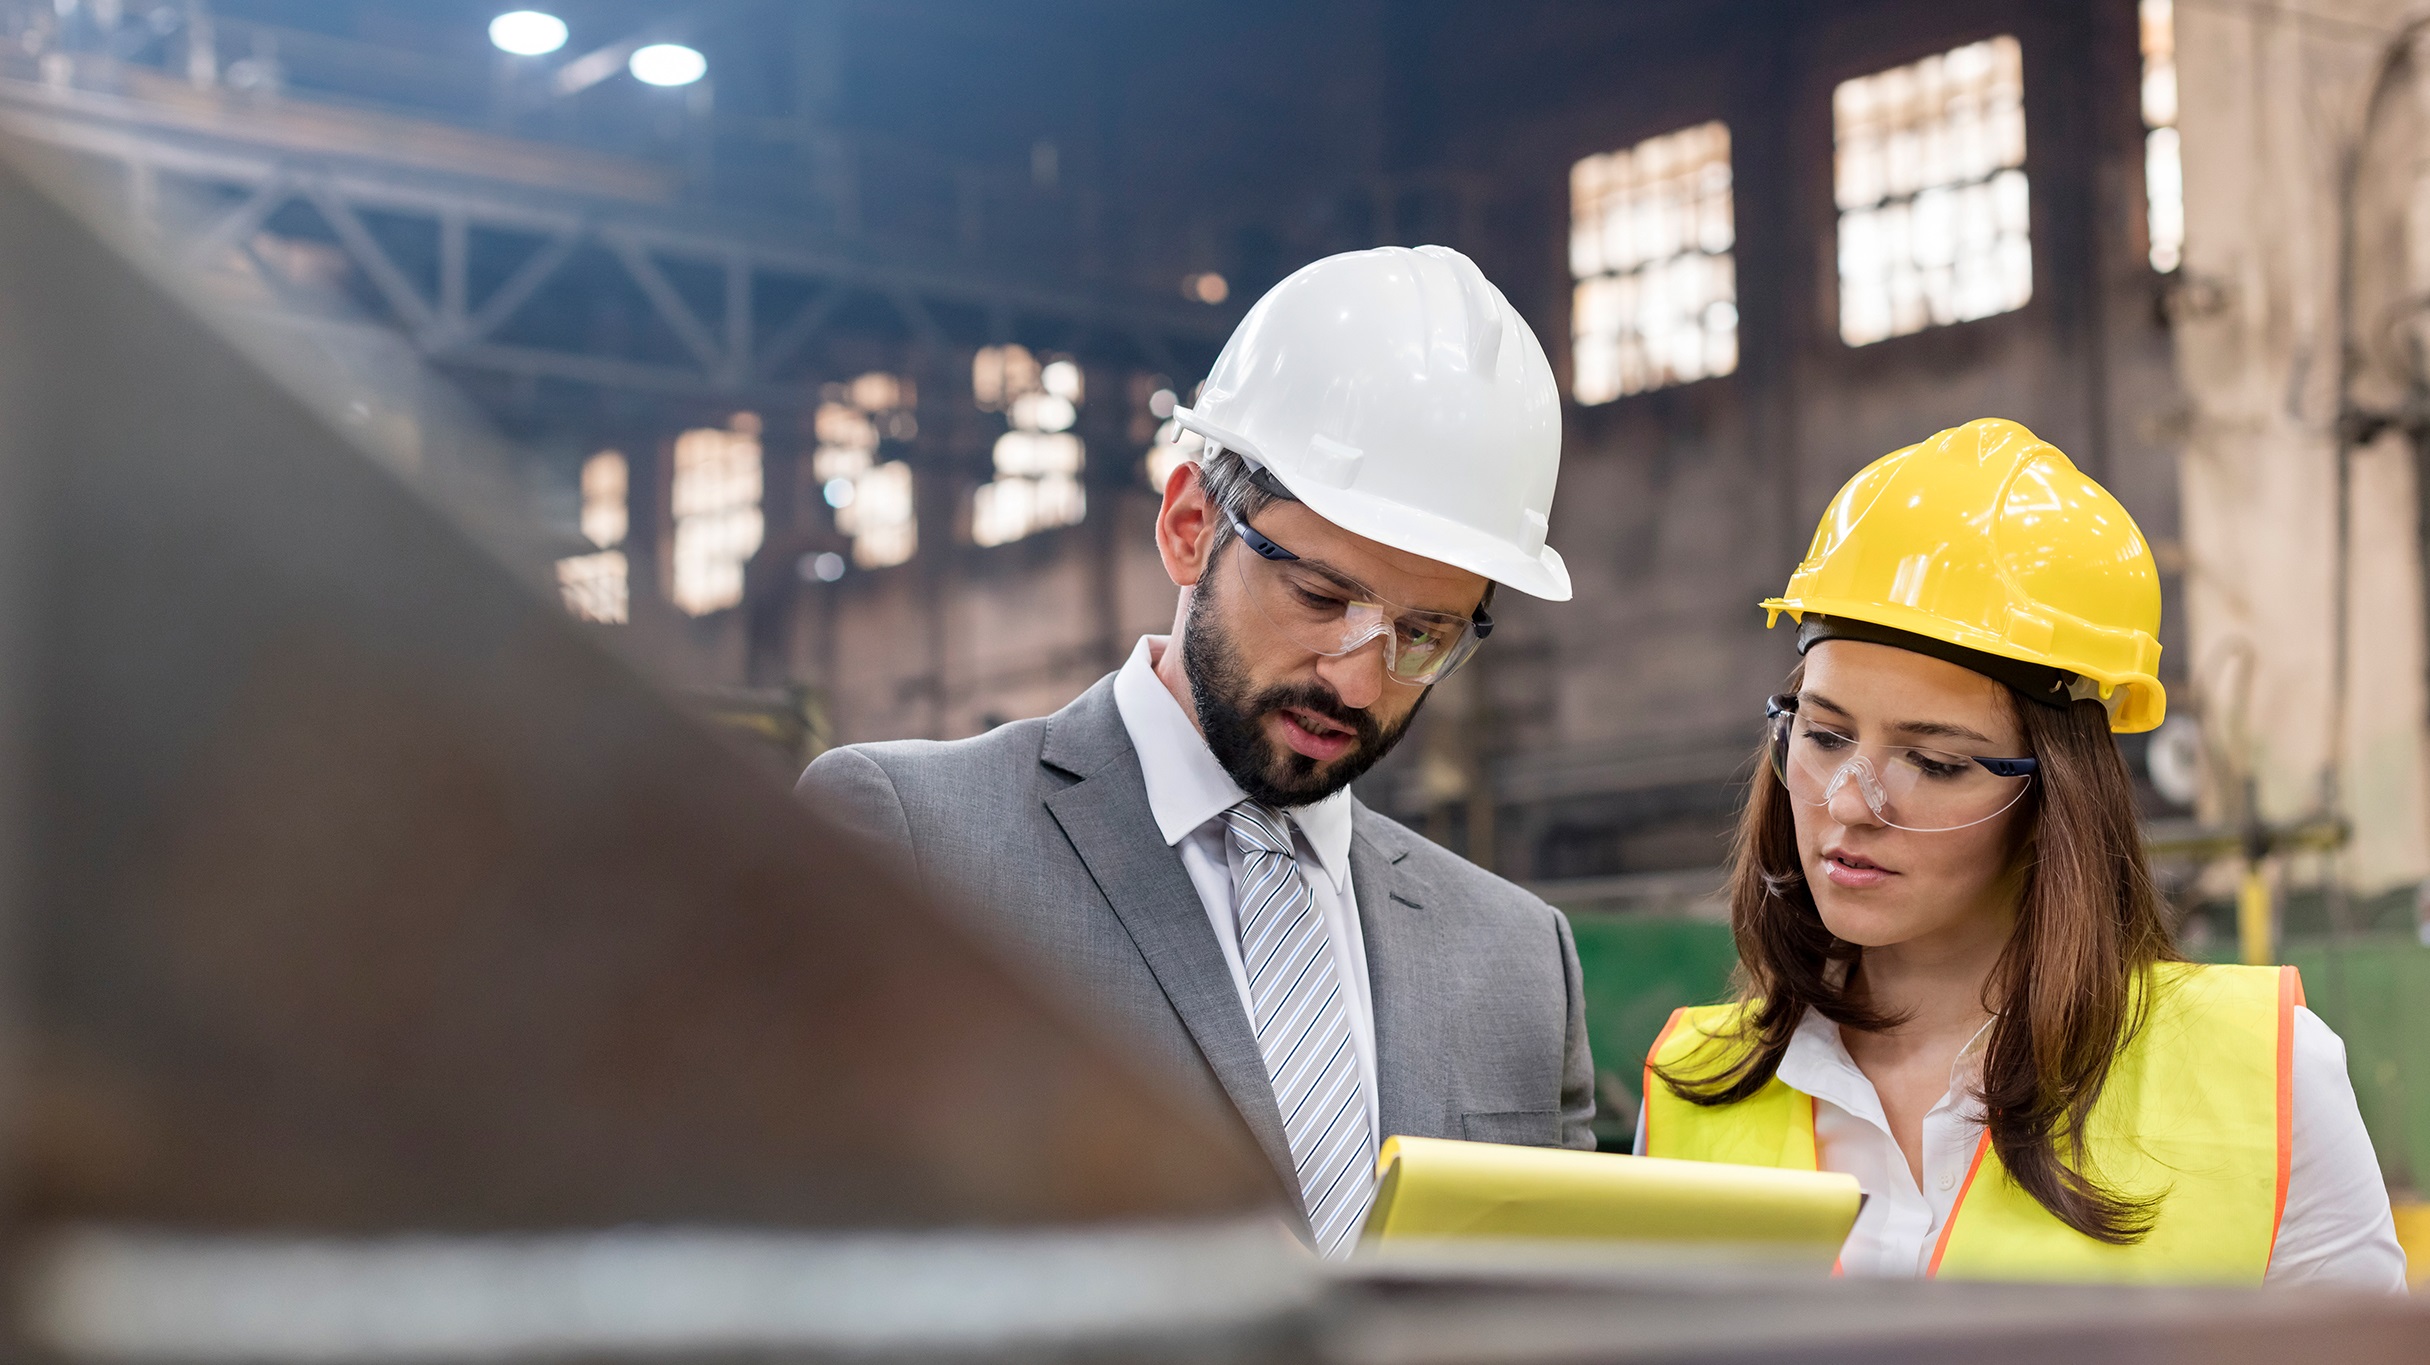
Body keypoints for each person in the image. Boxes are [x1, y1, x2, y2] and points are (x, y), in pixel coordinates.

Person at [800, 245, 1594, 1258]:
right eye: (1319, 597)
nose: (1357, 679)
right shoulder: (918, 850)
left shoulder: (1518, 959)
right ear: (1188, 527)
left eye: (1424, 636)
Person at [1638, 418, 2406, 1288]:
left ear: (2058, 799)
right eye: (1823, 734)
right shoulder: (1690, 1090)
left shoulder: (2264, 1077)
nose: (1849, 801)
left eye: (1934, 761)